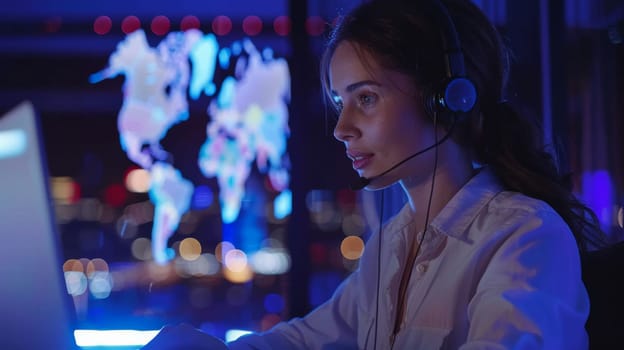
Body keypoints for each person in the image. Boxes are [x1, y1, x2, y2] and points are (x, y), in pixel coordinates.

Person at [143, 0, 606, 348]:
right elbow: (303, 341)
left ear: (447, 97)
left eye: (365, 98)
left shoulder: (524, 237)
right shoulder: (392, 245)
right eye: (341, 103)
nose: (343, 130)